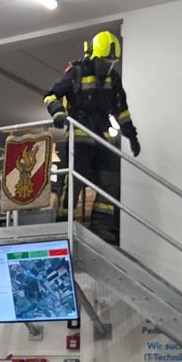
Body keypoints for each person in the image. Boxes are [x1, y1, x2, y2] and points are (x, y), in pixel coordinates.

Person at [43, 30, 140, 246]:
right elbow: (50, 95)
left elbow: (121, 109)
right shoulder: (76, 72)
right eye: (105, 61)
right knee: (74, 181)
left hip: (103, 136)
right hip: (79, 136)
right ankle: (63, 222)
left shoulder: (113, 78)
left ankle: (101, 224)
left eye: (112, 62)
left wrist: (131, 135)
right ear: (95, 57)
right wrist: (58, 112)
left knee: (111, 180)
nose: (109, 66)